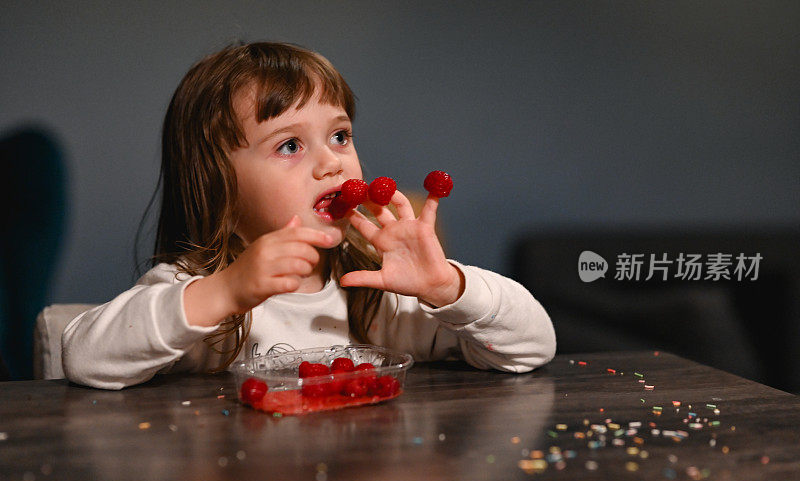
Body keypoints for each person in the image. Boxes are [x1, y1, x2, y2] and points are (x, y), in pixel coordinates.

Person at [61, 42, 556, 390]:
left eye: (340, 135)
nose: (331, 162)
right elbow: (83, 358)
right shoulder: (201, 292)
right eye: (290, 145)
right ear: (219, 188)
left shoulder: (382, 294)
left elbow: (534, 346)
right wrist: (224, 292)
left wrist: (447, 286)